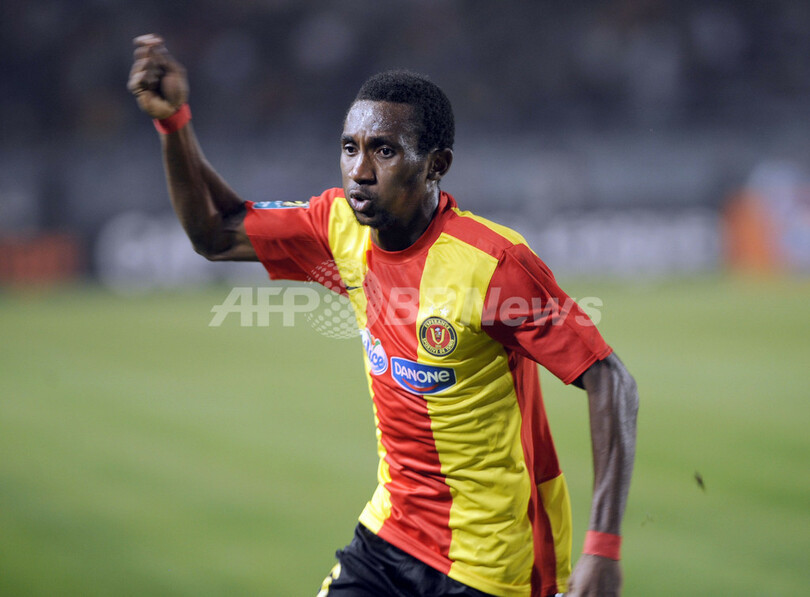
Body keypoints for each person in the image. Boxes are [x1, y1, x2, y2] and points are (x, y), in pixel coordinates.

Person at [128, 34, 638, 597]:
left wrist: (603, 547)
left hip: (493, 564)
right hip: (389, 536)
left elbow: (610, 380)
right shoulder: (338, 225)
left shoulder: (494, 265)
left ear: (436, 165)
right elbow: (216, 233)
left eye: (385, 151)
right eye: (350, 148)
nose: (360, 171)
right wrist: (173, 121)